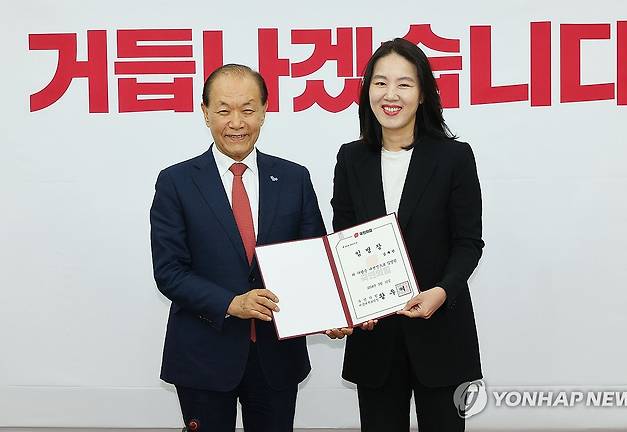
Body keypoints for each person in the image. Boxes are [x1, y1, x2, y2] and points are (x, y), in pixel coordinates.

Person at [150, 64, 326, 431]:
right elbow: (169, 272)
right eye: (224, 110)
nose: (236, 122)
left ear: (264, 111)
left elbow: (315, 262)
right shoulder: (176, 182)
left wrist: (330, 314)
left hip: (276, 355)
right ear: (205, 112)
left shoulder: (294, 178)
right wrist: (232, 303)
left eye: (247, 110)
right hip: (204, 354)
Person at [327, 38, 485, 431]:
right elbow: (343, 240)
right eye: (380, 83)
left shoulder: (454, 157)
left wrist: (443, 290)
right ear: (367, 93)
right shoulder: (351, 158)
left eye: (404, 84)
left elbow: (468, 243)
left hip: (442, 332)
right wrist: (348, 305)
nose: (390, 95)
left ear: (423, 94)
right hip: (375, 335)